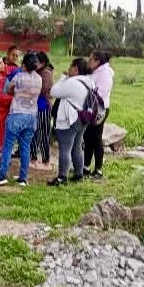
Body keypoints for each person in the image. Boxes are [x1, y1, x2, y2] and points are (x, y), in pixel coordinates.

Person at [0, 53, 42, 187]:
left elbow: (7, 89)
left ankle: (2, 176)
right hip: (32, 116)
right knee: (25, 147)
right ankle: (23, 178)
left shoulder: (19, 77)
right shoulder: (39, 78)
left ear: (24, 65)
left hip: (17, 114)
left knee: (7, 147)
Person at [47, 58, 94, 186]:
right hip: (83, 118)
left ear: (76, 69)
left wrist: (63, 77)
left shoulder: (72, 82)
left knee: (65, 148)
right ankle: (79, 174)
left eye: (70, 67)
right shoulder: (89, 82)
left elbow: (53, 92)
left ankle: (62, 177)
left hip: (70, 118)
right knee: (77, 147)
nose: (68, 69)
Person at [84, 50, 114, 179]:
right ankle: (86, 166)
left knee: (96, 138)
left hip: (99, 110)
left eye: (91, 59)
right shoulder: (95, 72)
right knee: (87, 137)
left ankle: (98, 170)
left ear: (98, 61)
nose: (89, 61)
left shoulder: (105, 74)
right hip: (90, 108)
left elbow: (100, 93)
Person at [31, 52, 55, 171]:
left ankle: (46, 160)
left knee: (44, 133)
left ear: (43, 63)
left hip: (43, 106)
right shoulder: (35, 72)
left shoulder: (47, 73)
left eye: (37, 62)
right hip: (34, 106)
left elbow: (43, 89)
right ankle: (33, 158)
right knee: (33, 133)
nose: (34, 64)